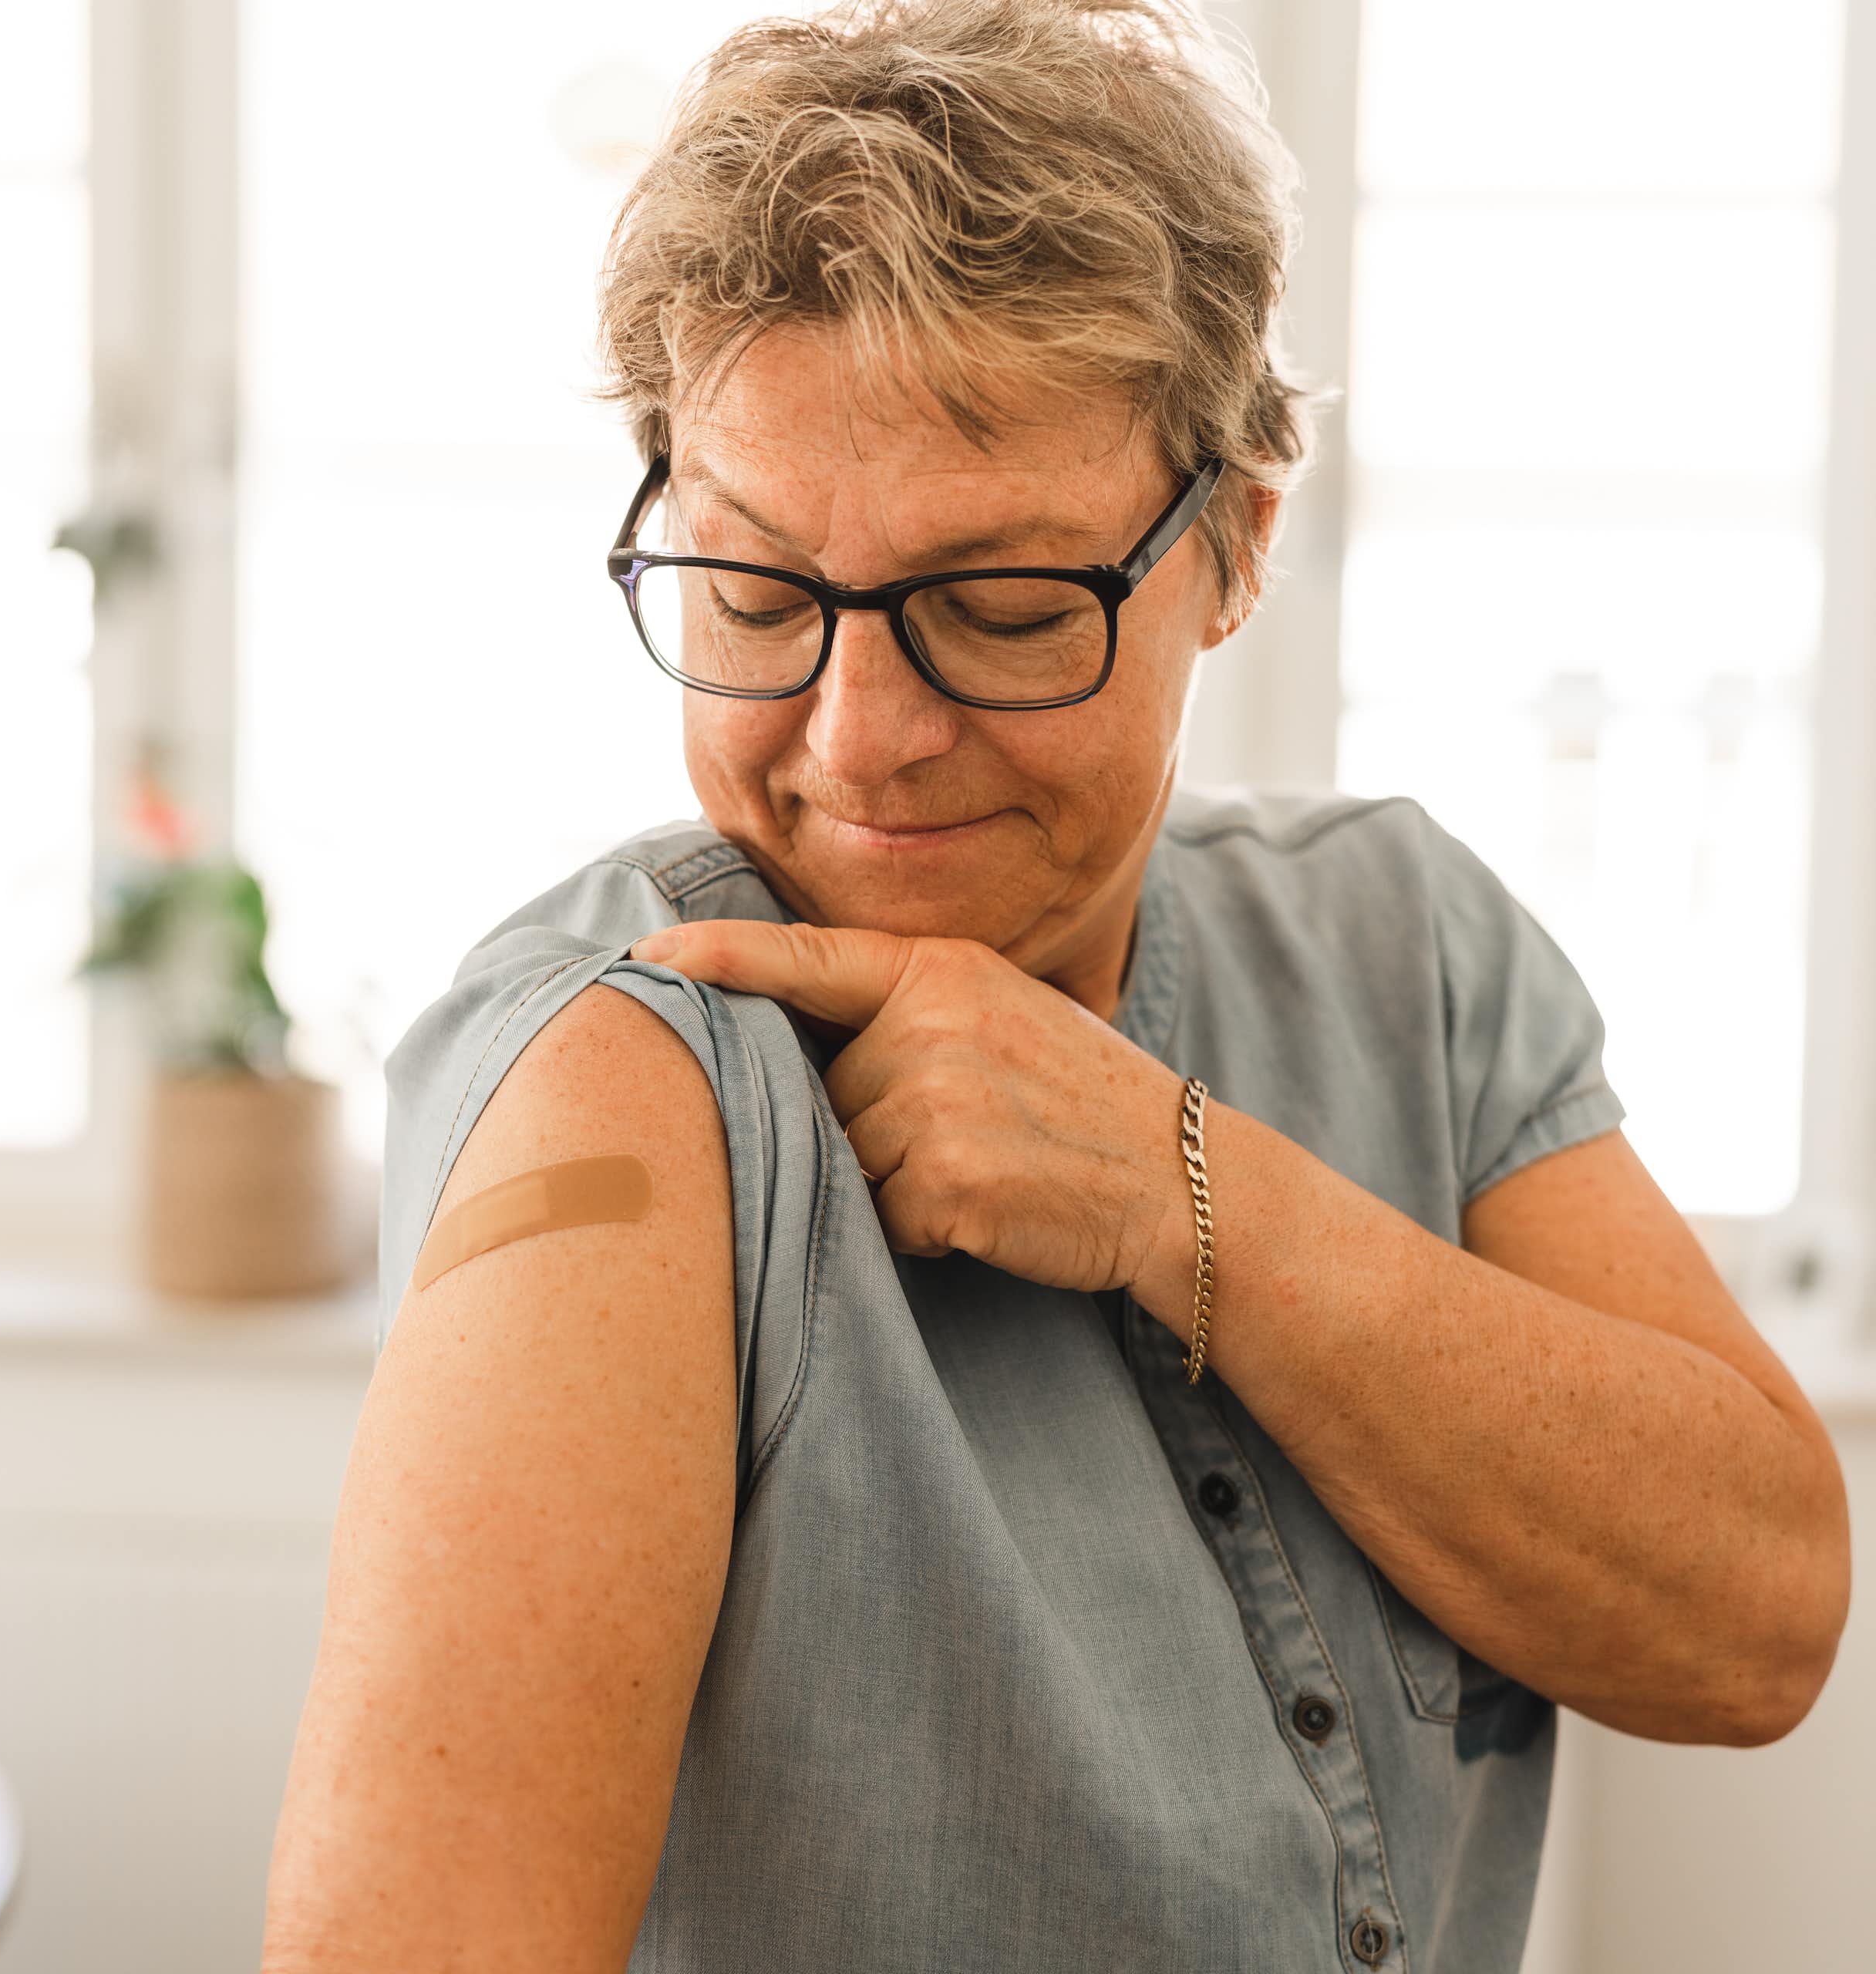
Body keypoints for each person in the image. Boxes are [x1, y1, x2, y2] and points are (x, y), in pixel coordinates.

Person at [260, 4, 1851, 1969]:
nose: (853, 740)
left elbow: (1755, 1615)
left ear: (1236, 540)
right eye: (753, 594)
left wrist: (1180, 1187)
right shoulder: (636, 1069)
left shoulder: (1401, 950)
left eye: (1000, 610)